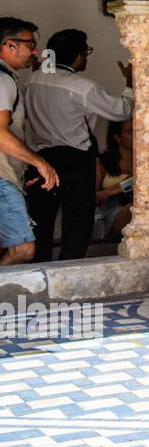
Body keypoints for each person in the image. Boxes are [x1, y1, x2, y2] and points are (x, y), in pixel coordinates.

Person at [23, 29, 133, 262]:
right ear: (77, 57)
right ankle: (69, 276)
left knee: (40, 224)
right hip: (75, 162)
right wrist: (130, 83)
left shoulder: (32, 81)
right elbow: (121, 110)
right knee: (77, 224)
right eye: (86, 52)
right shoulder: (81, 86)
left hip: (39, 160)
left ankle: (40, 276)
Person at [0, 18, 58, 266]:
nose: (35, 51)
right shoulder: (3, 80)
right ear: (10, 45)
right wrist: (39, 162)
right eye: (31, 44)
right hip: (2, 178)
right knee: (22, 249)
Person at [95, 117, 134, 241]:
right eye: (130, 131)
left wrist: (116, 188)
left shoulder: (146, 161)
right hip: (112, 213)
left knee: (144, 206)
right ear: (117, 137)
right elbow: (95, 196)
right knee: (138, 208)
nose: (137, 134)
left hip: (140, 207)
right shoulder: (102, 162)